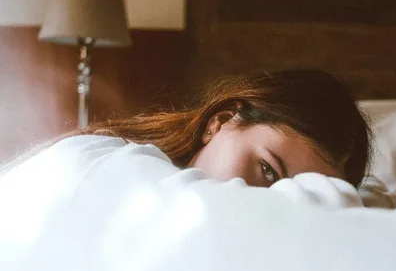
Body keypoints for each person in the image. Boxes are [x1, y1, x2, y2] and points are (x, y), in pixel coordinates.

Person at [69, 68, 372, 188]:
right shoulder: (104, 169)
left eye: (306, 195)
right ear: (221, 122)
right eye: (267, 170)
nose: (274, 202)